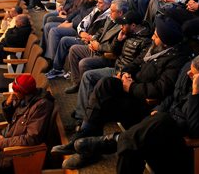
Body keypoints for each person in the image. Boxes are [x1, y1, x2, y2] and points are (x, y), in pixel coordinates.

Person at [51, 16, 191, 168]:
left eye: (156, 36)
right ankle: (83, 139)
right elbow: (137, 62)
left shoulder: (177, 60)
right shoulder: (156, 47)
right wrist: (125, 72)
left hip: (143, 102)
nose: (152, 37)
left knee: (101, 103)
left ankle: (86, 149)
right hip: (131, 86)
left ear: (166, 41)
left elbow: (159, 88)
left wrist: (130, 87)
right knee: (106, 84)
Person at [63, 51, 199, 173]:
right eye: (190, 69)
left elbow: (197, 129)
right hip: (160, 121)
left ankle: (115, 140)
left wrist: (196, 92)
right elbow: (172, 97)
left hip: (180, 138)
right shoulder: (188, 70)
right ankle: (107, 138)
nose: (189, 73)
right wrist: (159, 108)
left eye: (194, 74)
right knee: (131, 146)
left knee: (149, 130)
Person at [66, 10, 151, 95]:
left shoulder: (145, 40)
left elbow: (137, 63)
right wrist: (118, 40)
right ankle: (81, 94)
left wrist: (123, 73)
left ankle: (90, 102)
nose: (121, 27)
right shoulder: (126, 32)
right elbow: (111, 45)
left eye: (123, 25)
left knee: (86, 68)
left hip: (123, 72)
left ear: (133, 26)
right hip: (116, 66)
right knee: (77, 54)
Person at [58, 0, 128, 87]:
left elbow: (114, 47)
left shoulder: (123, 27)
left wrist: (98, 47)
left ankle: (87, 89)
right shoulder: (111, 19)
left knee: (83, 63)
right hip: (96, 48)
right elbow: (100, 31)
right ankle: (76, 83)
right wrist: (92, 39)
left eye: (112, 11)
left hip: (106, 56)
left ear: (120, 13)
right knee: (74, 49)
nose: (110, 13)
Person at [44, 0, 111, 78]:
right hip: (84, 35)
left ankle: (57, 68)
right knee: (60, 35)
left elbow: (103, 33)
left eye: (100, 3)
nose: (97, 4)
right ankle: (57, 68)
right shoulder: (96, 10)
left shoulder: (109, 16)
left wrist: (91, 38)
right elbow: (84, 21)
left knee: (64, 40)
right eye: (98, 2)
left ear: (108, 4)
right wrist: (82, 32)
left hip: (92, 42)